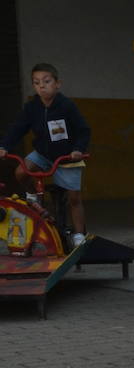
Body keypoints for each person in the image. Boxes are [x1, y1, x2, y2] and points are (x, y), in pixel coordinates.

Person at [0, 63, 91, 245]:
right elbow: (18, 128)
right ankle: (33, 195)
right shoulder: (32, 107)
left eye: (47, 81)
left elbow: (83, 130)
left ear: (57, 84)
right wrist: (5, 146)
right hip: (43, 154)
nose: (42, 86)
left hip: (66, 157)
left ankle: (80, 235)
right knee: (21, 171)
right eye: (36, 83)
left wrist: (78, 150)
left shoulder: (66, 106)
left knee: (74, 197)